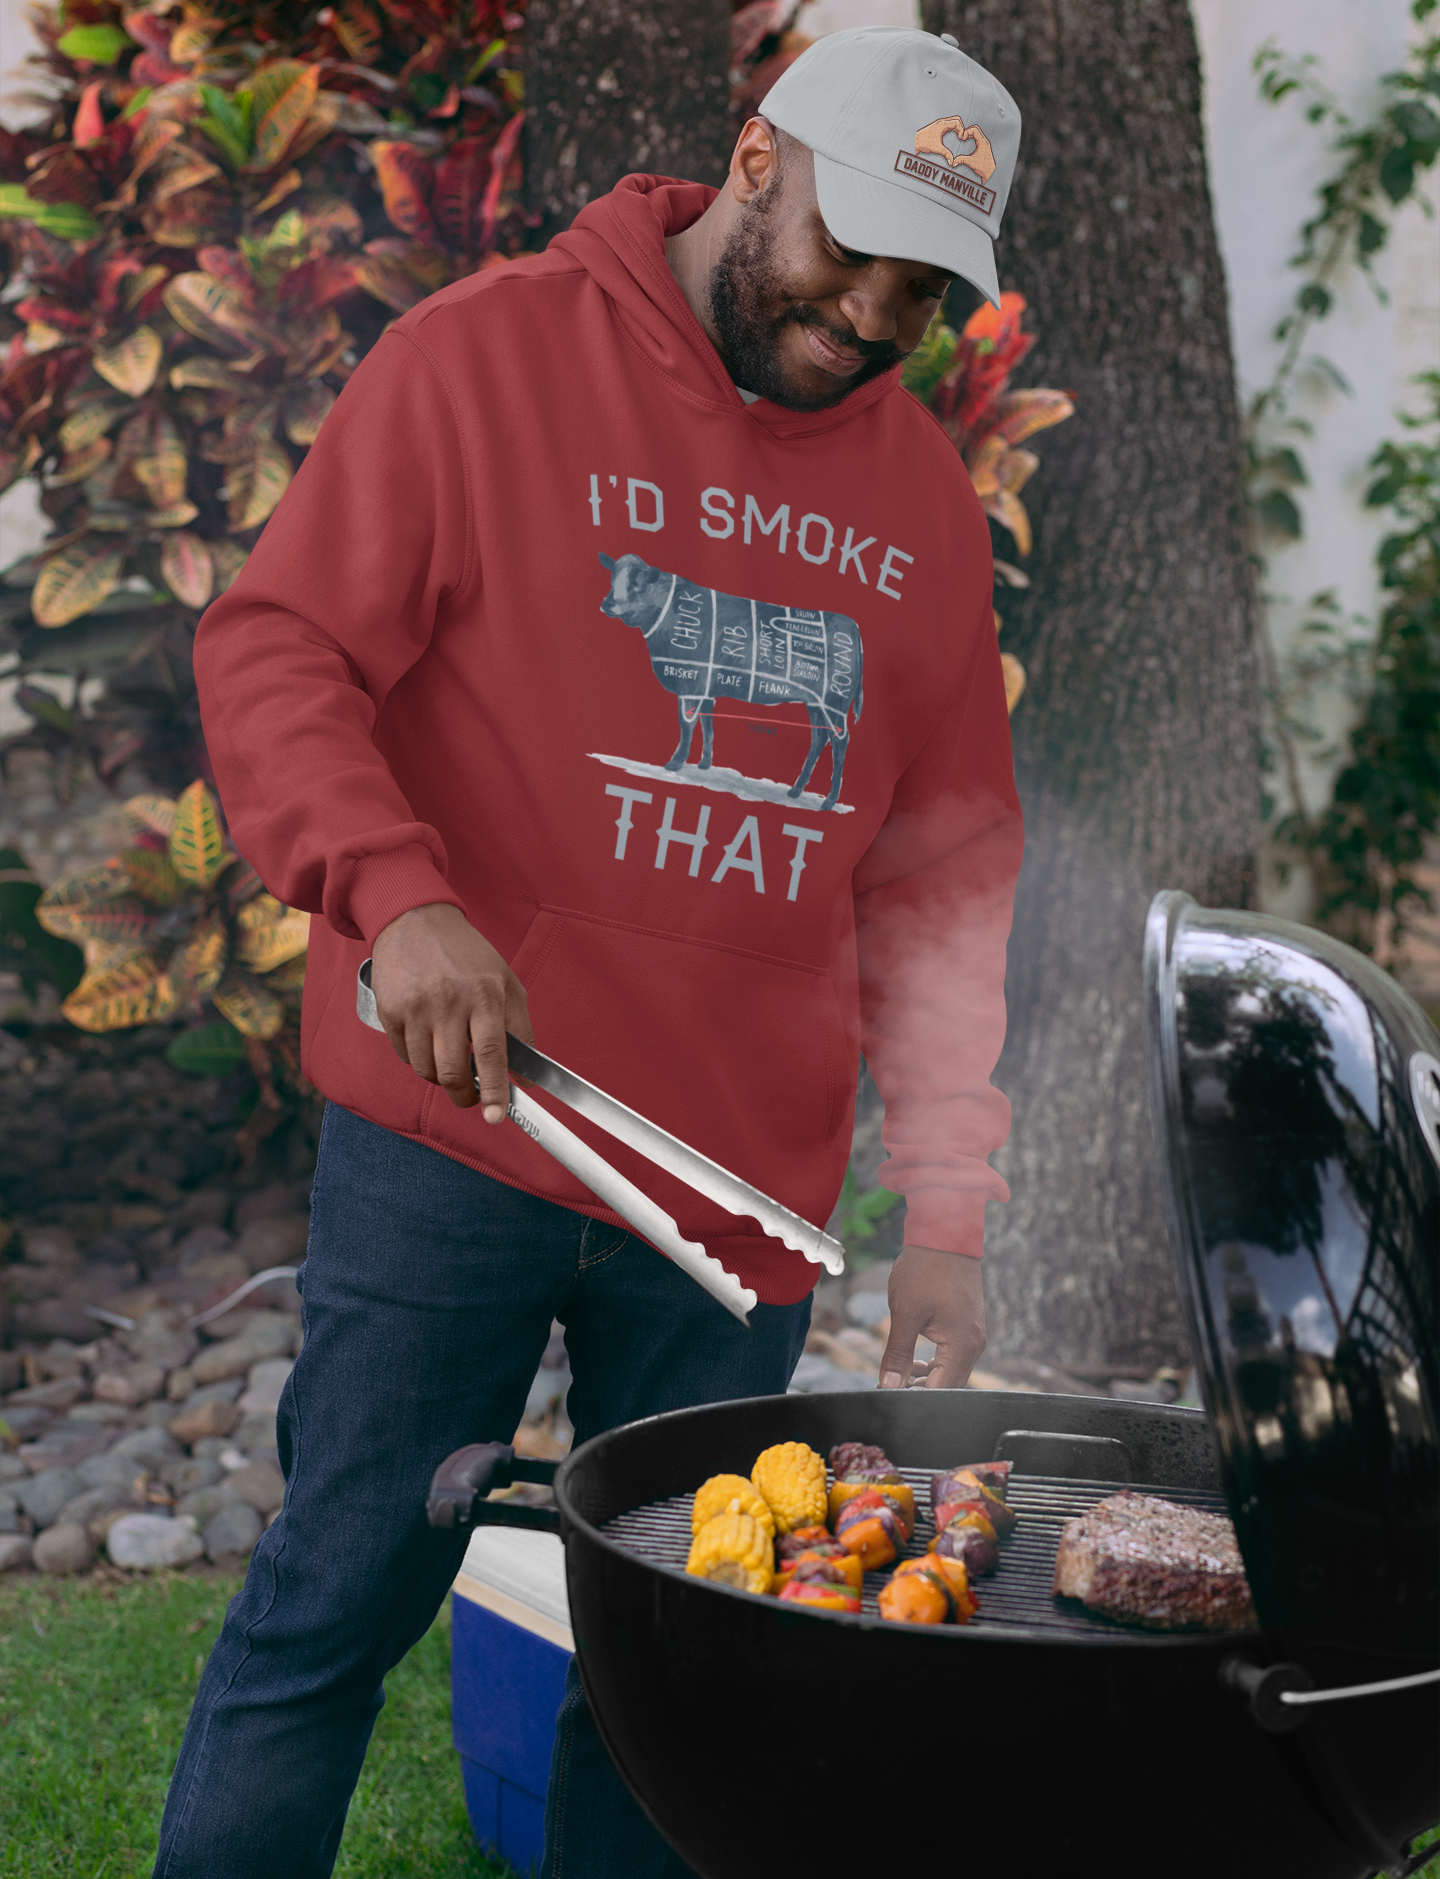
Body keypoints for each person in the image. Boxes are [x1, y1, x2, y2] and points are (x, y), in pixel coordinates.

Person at [153, 25, 1025, 1879]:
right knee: (328, 1609)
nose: (874, 311)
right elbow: (276, 649)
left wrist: (944, 1208)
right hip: (460, 1136)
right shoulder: (484, 362)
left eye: (926, 287)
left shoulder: (928, 517)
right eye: (852, 247)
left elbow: (945, 883)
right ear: (756, 160)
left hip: (726, 1209)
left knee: (676, 1667)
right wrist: (402, 894)